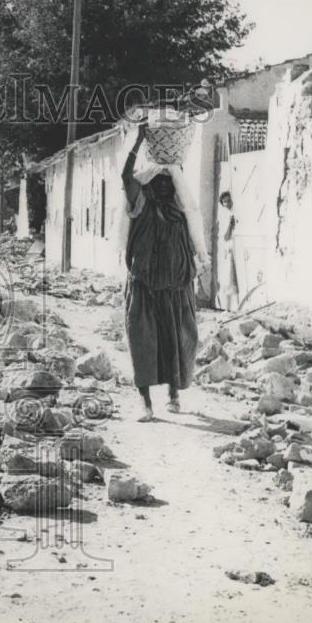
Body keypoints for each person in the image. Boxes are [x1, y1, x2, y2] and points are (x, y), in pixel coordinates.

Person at [121, 139, 209, 421]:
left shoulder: (180, 210)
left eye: (168, 181)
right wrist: (139, 139)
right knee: (142, 340)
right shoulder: (141, 203)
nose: (163, 186)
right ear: (148, 183)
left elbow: (192, 241)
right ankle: (145, 403)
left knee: (177, 339)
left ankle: (174, 395)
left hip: (176, 286)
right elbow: (126, 177)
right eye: (157, 180)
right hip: (144, 285)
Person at [216, 191, 240, 311]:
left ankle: (237, 306)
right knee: (229, 278)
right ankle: (228, 308)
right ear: (222, 204)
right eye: (225, 201)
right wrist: (230, 225)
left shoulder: (235, 212)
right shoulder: (225, 216)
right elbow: (225, 237)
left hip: (237, 247)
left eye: (229, 200)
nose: (227, 203)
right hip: (229, 249)